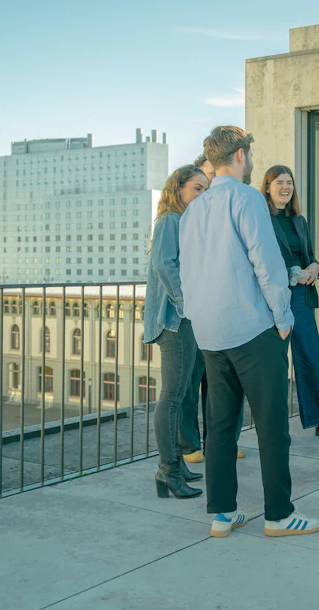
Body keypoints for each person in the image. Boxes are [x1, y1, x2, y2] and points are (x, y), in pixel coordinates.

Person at [180, 125, 319, 539]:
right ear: (241, 156)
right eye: (251, 155)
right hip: (251, 328)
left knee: (220, 427)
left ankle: (222, 514)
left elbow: (185, 270)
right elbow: (267, 262)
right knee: (271, 423)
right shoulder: (245, 198)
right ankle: (279, 515)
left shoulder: (194, 209)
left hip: (209, 331)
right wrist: (283, 318)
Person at [261, 165, 319, 437]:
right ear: (267, 187)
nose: (285, 187)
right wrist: (293, 273)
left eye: (289, 182)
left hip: (300, 298)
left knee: (312, 359)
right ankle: (273, 428)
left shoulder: (299, 221)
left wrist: (314, 268)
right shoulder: (261, 220)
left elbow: (310, 256)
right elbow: (262, 259)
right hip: (273, 299)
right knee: (275, 365)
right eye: (278, 182)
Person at [145, 165, 208, 499]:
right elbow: (164, 264)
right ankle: (168, 471)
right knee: (171, 399)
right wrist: (186, 304)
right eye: (197, 188)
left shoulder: (185, 221)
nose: (202, 194)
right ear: (179, 188)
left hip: (185, 318)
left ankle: (176, 465)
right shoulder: (170, 219)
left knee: (179, 396)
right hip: (174, 320)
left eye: (205, 189)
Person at [189, 154, 245, 461]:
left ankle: (223, 443)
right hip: (200, 313)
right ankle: (192, 445)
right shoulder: (193, 214)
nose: (212, 182)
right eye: (207, 176)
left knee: (223, 386)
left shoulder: (230, 207)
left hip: (226, 311)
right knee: (193, 385)